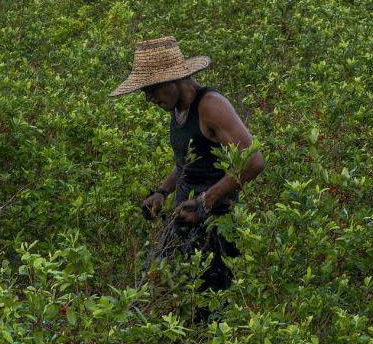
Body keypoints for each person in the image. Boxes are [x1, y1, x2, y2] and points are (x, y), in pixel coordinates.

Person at [110, 36, 263, 301]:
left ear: (174, 79)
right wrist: (162, 192)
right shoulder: (178, 107)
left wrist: (205, 202)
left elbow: (252, 160)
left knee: (209, 304)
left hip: (216, 223)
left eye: (152, 89)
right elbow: (188, 162)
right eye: (144, 91)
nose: (149, 98)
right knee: (158, 290)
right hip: (185, 217)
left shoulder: (210, 105)